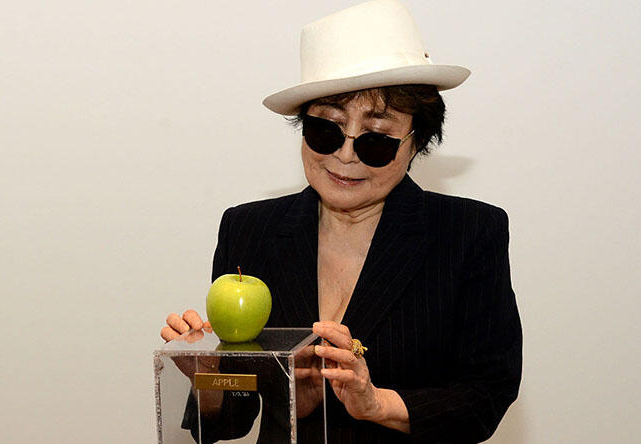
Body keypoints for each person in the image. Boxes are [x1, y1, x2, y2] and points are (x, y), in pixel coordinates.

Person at [160, 1, 522, 442]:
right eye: (326, 130)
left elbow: (487, 394)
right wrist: (208, 377)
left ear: (416, 143)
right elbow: (230, 418)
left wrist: (378, 404)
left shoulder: (469, 233)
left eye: (376, 140)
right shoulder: (248, 230)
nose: (346, 155)